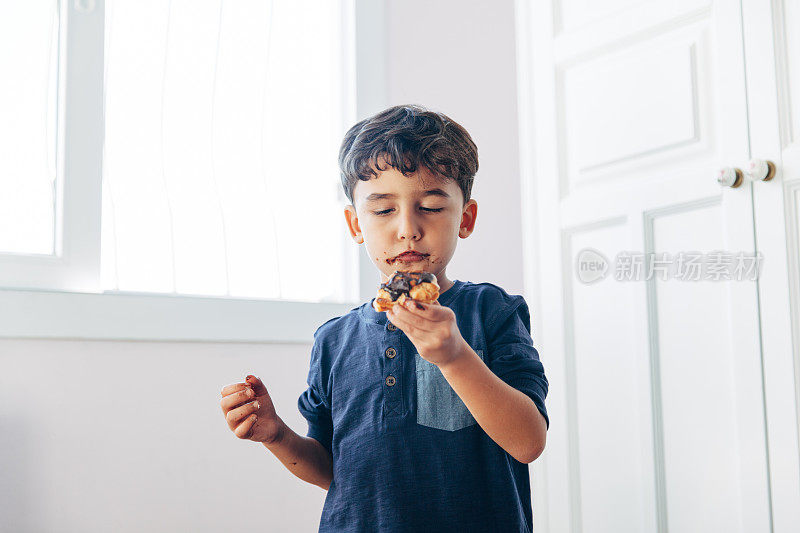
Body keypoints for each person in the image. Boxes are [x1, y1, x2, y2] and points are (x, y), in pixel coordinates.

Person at [220, 104, 549, 532]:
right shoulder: (333, 340)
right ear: (355, 224)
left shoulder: (493, 312)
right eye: (383, 210)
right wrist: (277, 435)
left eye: (431, 206)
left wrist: (454, 358)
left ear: (465, 218)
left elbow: (527, 442)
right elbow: (335, 471)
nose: (408, 228)